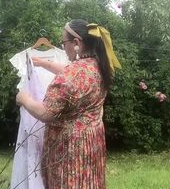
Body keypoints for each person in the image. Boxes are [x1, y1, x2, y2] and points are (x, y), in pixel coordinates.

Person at [16, 19, 121, 189]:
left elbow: (46, 113)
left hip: (70, 147)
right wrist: (45, 63)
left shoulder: (72, 74)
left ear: (76, 43)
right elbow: (72, 73)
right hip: (92, 142)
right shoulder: (98, 66)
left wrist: (24, 99)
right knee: (88, 183)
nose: (63, 47)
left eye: (64, 43)